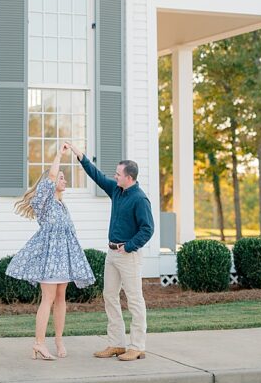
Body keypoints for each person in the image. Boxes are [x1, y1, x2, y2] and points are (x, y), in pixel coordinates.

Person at [65, 142, 154, 362]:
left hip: (129, 255)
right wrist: (79, 154)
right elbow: (96, 175)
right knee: (110, 296)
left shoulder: (139, 199)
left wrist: (129, 246)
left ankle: (137, 346)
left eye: (118, 174)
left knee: (134, 300)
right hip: (112, 253)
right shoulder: (116, 190)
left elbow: (147, 229)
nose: (115, 177)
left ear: (129, 178)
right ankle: (117, 344)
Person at [7, 142, 95, 361]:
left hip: (63, 260)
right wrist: (59, 155)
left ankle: (58, 339)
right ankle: (38, 343)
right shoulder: (44, 202)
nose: (63, 180)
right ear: (51, 182)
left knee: (61, 298)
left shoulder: (62, 206)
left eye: (64, 177)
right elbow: (51, 175)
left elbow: (70, 237)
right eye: (61, 177)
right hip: (49, 260)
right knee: (47, 298)